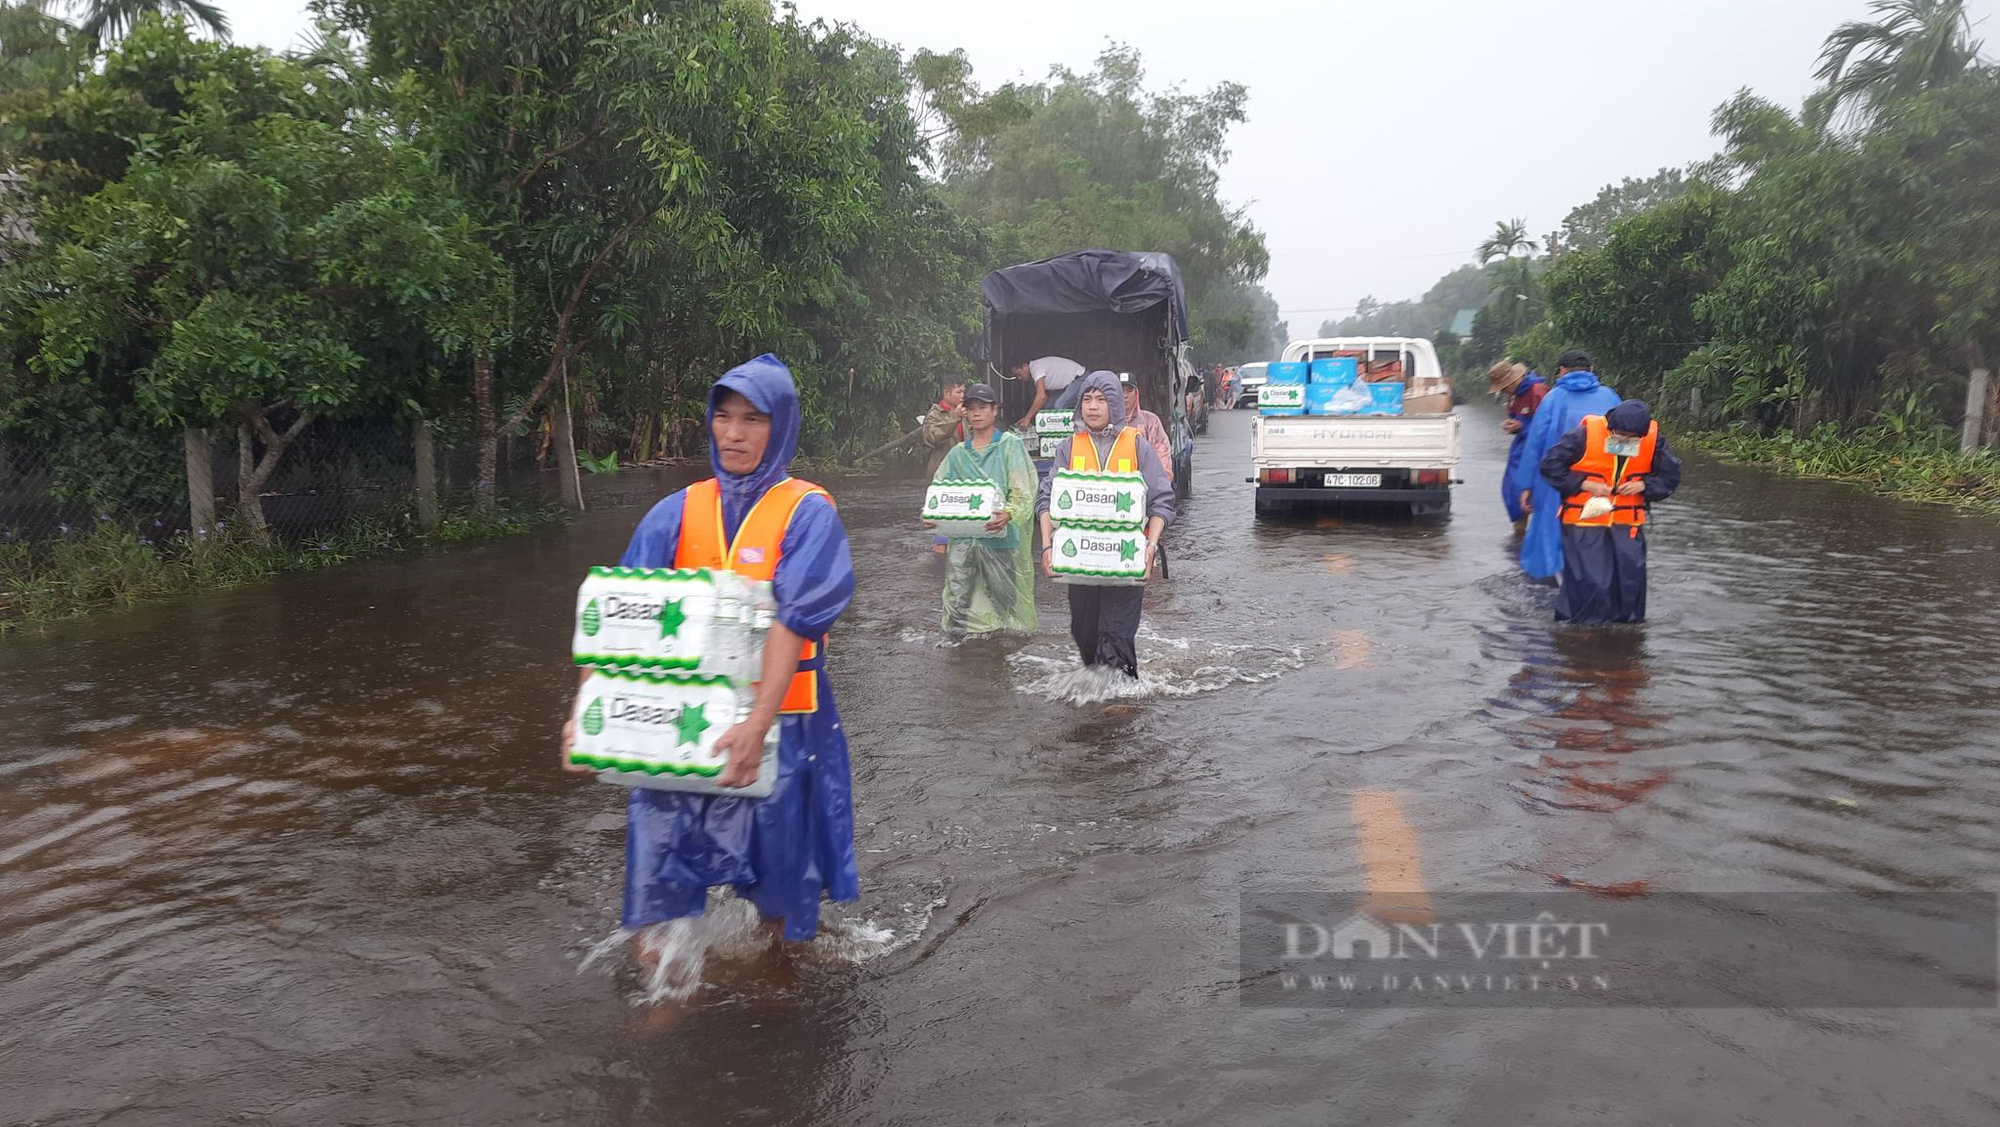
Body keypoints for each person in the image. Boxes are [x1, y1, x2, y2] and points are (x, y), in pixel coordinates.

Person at [563, 354, 859, 948]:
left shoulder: (807, 514)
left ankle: (779, 986)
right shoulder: (673, 513)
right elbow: (620, 618)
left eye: (752, 419)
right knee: (656, 895)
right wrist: (585, 715)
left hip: (785, 729)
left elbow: (794, 624)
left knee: (780, 899)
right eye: (723, 417)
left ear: (782, 427)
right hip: (678, 727)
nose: (733, 433)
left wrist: (756, 724)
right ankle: (661, 1013)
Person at [1036, 370, 1175, 678]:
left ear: (1114, 404)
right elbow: (1046, 499)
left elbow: (1162, 502)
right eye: (1087, 399)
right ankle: (1100, 700)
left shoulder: (1139, 447)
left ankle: (1120, 709)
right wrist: (1047, 546)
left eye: (1101, 399)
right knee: (1084, 636)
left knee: (1115, 637)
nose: (1093, 406)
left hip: (1125, 562)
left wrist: (1150, 547)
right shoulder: (1069, 448)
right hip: (1080, 562)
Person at [1539, 400, 1682, 623]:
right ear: (1609, 427)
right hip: (1584, 520)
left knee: (1630, 577)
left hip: (1627, 521)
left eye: (1632, 437)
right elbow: (1550, 465)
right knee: (1592, 579)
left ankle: (1626, 630)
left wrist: (1644, 485)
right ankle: (1583, 628)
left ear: (1642, 434)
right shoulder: (1581, 437)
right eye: (1619, 434)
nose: (1624, 440)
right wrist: (1584, 483)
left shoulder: (1654, 443)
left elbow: (1670, 478)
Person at [925, 383, 1038, 639]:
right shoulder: (957, 454)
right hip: (963, 538)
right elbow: (940, 491)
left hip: (1001, 537)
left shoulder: (1010, 446)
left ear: (994, 411)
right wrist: (933, 518)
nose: (977, 414)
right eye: (971, 408)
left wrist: (1009, 513)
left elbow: (1023, 489)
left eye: (983, 408)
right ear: (964, 412)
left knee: (1003, 595)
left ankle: (1006, 650)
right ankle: (955, 643)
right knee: (958, 593)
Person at [1511, 350, 1621, 582]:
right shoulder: (1610, 397)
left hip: (1557, 481)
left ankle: (1553, 579)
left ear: (1561, 371)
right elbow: (1624, 439)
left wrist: (1526, 486)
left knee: (1552, 527)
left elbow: (1535, 445)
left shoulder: (1553, 399)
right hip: (1602, 481)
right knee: (1599, 529)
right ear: (1591, 370)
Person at [1490, 361, 1547, 532]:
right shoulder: (1514, 395)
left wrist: (1522, 427)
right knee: (1512, 487)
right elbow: (1516, 415)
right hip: (1521, 445)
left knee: (1534, 488)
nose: (1504, 391)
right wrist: (1513, 425)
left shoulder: (1537, 391)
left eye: (1505, 386)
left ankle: (1528, 532)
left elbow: (1545, 425)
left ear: (1514, 380)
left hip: (1538, 447)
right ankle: (1519, 530)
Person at [919, 377, 967, 555]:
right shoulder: (935, 414)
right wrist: (955, 417)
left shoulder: (966, 413)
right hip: (942, 476)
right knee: (942, 524)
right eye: (958, 392)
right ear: (946, 393)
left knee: (963, 520)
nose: (962, 396)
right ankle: (939, 567)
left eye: (964, 391)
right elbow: (932, 437)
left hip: (964, 475)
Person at [1120, 372, 1174, 482]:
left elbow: (1163, 456)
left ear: (1136, 394)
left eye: (1129, 391)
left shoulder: (1151, 421)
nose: (1125, 395)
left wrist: (1158, 485)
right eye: (1121, 391)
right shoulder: (1104, 423)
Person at [1013, 355, 1086, 429]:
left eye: (1019, 374)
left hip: (1080, 378)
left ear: (1025, 366)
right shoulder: (1036, 371)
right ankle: (1051, 436)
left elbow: (1041, 396)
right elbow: (1044, 399)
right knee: (1049, 408)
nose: (1019, 378)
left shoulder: (1036, 368)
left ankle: (1074, 431)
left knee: (1060, 405)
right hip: (1068, 385)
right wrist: (1028, 418)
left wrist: (1027, 418)